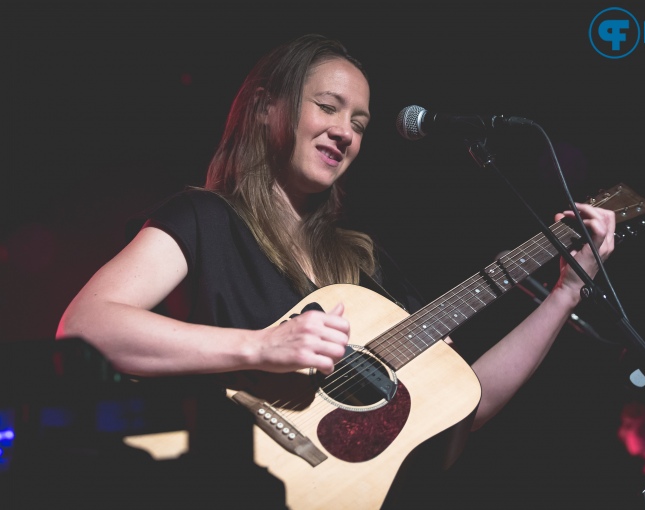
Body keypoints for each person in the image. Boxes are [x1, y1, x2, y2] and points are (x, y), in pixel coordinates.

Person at [56, 34, 616, 508]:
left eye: (360, 123)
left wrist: (565, 293)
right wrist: (261, 347)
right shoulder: (204, 219)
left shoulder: (364, 265)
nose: (345, 132)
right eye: (327, 107)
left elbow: (458, 411)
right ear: (264, 107)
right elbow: (86, 328)